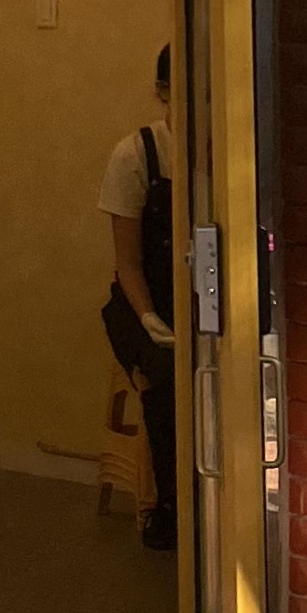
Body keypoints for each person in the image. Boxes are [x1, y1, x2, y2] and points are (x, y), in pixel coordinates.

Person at [101, 46, 177, 551]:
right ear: (162, 91)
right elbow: (127, 263)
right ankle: (170, 507)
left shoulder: (225, 148)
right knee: (168, 377)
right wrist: (149, 316)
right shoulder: (135, 154)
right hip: (139, 302)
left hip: (197, 301)